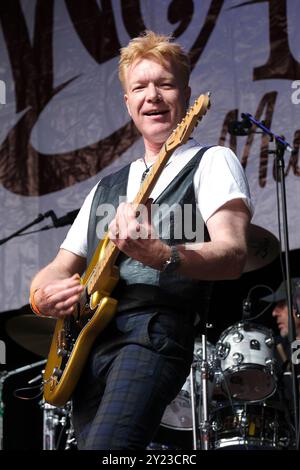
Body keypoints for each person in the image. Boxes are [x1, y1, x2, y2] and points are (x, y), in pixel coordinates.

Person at [29, 31, 252, 450]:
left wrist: (162, 255)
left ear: (185, 95)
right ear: (127, 103)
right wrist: (43, 296)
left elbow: (234, 254)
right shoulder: (107, 187)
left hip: (153, 333)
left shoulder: (212, 161)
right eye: (140, 87)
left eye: (165, 84)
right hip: (89, 345)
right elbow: (58, 268)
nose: (152, 96)